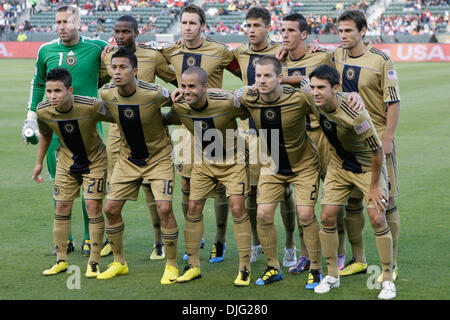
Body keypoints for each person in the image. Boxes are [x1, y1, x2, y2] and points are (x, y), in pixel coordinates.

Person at [22, 5, 109, 257]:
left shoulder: (96, 47)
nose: (62, 26)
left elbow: (113, 68)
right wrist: (30, 116)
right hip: (55, 127)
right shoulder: (46, 50)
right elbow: (38, 82)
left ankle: (88, 239)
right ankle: (66, 240)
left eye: (66, 22)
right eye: (58, 22)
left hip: (89, 127)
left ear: (78, 22)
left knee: (91, 186)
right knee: (60, 183)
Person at [304, 64, 396, 300]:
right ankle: (332, 275)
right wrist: (284, 80)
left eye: (321, 88)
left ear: (335, 89)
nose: (315, 92)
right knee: (327, 216)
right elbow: (300, 83)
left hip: (368, 166)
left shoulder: (356, 114)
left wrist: (374, 186)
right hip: (339, 165)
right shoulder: (311, 96)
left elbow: (377, 153)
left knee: (377, 217)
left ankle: (387, 279)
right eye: (313, 87)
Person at [160, 4, 241, 264]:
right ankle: (196, 239)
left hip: (216, 127)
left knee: (220, 187)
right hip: (187, 129)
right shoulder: (171, 50)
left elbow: (245, 72)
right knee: (186, 186)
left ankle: (220, 240)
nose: (187, 27)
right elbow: (152, 64)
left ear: (202, 26)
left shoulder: (219, 50)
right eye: (184, 23)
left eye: (193, 23)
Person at [235, 56, 321, 287]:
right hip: (272, 167)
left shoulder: (300, 98)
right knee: (262, 215)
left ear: (279, 78)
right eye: (258, 76)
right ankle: (273, 267)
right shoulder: (249, 97)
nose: (261, 81)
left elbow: (314, 89)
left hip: (303, 166)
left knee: (305, 215)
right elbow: (233, 98)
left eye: (267, 76)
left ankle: (316, 268)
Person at [164, 67, 252, 286]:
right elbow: (167, 119)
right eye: (183, 86)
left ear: (205, 87)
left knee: (238, 208)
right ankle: (193, 266)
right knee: (193, 207)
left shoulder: (226, 102)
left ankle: (244, 267)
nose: (186, 91)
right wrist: (168, 100)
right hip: (205, 161)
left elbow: (249, 111)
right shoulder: (180, 105)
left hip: (234, 161)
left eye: (192, 86)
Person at [99, 15, 177, 261]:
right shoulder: (108, 56)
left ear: (136, 33)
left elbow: (174, 81)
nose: (120, 36)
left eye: (125, 32)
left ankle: (159, 242)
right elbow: (100, 83)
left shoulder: (152, 56)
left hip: (150, 131)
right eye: (117, 31)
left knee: (152, 191)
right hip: (119, 133)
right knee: (114, 186)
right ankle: (113, 243)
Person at [279, 12, 348, 276]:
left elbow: (325, 80)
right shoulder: (279, 60)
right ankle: (306, 255)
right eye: (282, 30)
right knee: (303, 204)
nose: (285, 35)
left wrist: (283, 77)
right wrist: (277, 66)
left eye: (291, 31)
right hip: (298, 139)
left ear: (304, 34)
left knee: (333, 199)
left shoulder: (321, 56)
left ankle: (340, 252)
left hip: (325, 136)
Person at [334, 10, 401, 282]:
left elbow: (393, 102)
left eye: (348, 30)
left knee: (387, 202)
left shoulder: (382, 59)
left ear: (363, 31)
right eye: (340, 31)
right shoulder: (336, 55)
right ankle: (358, 260)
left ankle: (392, 263)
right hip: (347, 142)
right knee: (352, 202)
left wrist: (387, 139)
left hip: (377, 140)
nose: (343, 35)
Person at [232, 5, 298, 268]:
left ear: (268, 28)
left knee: (285, 189)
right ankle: (258, 242)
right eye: (248, 25)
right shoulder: (240, 51)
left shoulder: (281, 52)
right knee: (251, 190)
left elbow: (300, 74)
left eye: (256, 25)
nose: (251, 30)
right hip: (250, 132)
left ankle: (291, 244)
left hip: (280, 131)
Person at [32, 68, 113, 277]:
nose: (52, 96)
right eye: (49, 91)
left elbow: (117, 117)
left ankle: (94, 262)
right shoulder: (43, 111)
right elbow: (46, 135)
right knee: (62, 206)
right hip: (66, 161)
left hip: (94, 161)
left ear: (70, 90)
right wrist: (39, 162)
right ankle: (61, 260)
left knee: (92, 206)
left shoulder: (91, 105)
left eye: (57, 91)